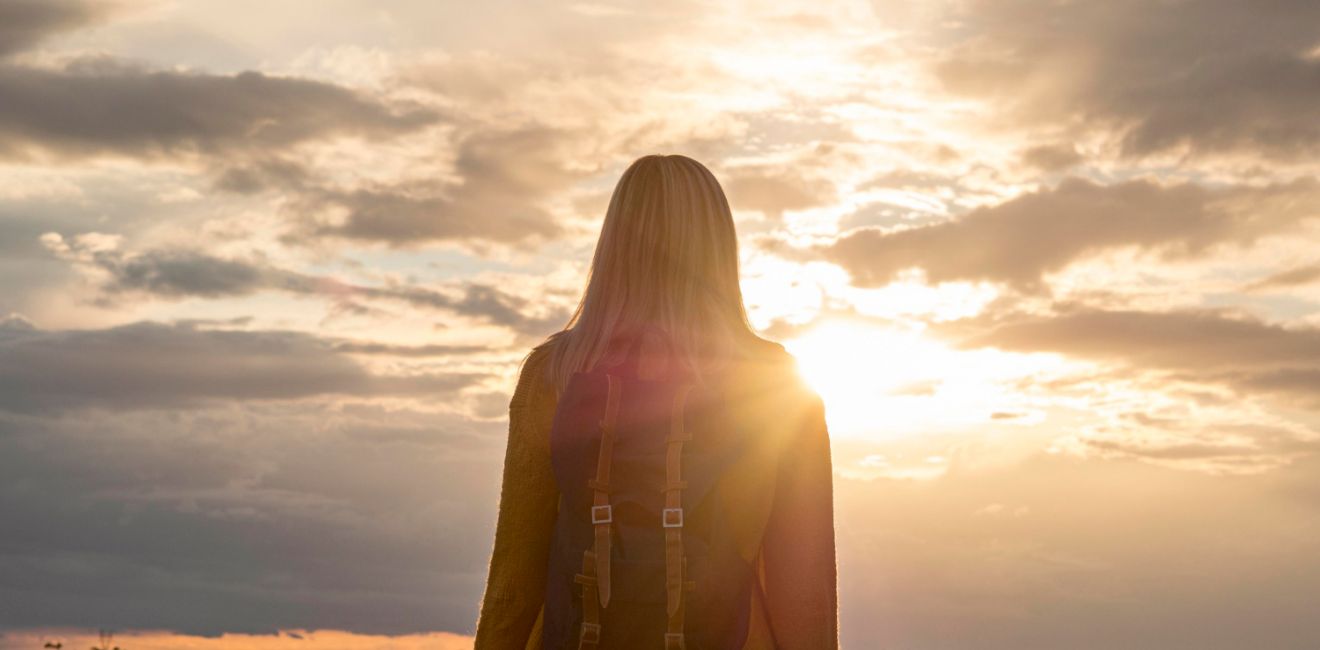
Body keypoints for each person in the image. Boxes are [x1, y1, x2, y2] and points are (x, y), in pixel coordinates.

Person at [473, 154, 838, 649]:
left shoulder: (553, 374)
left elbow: (512, 587)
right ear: (718, 246)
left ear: (614, 243)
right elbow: (806, 592)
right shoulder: (775, 384)